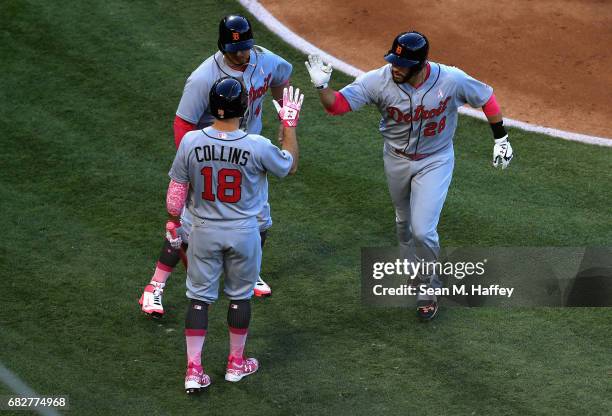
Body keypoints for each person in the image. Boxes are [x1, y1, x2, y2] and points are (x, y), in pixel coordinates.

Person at [305, 31, 514, 321]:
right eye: (393, 60)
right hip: (396, 159)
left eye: (402, 64)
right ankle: (413, 274)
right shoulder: (378, 81)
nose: (395, 67)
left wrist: (500, 138)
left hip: (436, 160)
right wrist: (321, 86)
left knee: (423, 229)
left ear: (420, 65)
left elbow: (486, 98)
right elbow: (337, 105)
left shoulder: (450, 79)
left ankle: (429, 287)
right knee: (403, 221)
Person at [140, 14, 293, 317]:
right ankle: (154, 287)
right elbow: (182, 123)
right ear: (222, 46)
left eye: (245, 47)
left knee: (260, 221)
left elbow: (282, 78)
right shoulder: (203, 78)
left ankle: (249, 273)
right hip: (211, 157)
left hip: (249, 157)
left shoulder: (266, 60)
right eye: (234, 49)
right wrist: (191, 165)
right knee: (185, 227)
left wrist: (282, 116)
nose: (241, 54)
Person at [166, 77, 303, 392]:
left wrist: (174, 221)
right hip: (244, 232)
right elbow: (290, 166)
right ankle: (235, 365)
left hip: (202, 231)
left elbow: (175, 195)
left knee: (199, 301)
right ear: (243, 108)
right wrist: (289, 124)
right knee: (240, 297)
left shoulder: (191, 142)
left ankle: (193, 370)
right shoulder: (257, 146)